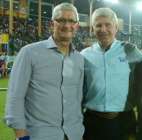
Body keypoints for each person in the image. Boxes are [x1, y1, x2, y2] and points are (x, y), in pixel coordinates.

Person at [5, 3, 84, 140]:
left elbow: (78, 98)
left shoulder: (79, 59)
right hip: (40, 135)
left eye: (71, 21)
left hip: (73, 134)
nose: (67, 25)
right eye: (61, 20)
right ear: (52, 23)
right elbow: (15, 96)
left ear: (76, 25)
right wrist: (21, 135)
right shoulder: (29, 53)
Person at [80, 7, 142, 140]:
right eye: (98, 25)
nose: (103, 29)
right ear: (92, 29)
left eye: (108, 25)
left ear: (116, 27)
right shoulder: (84, 55)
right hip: (92, 121)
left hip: (123, 120)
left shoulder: (130, 51)